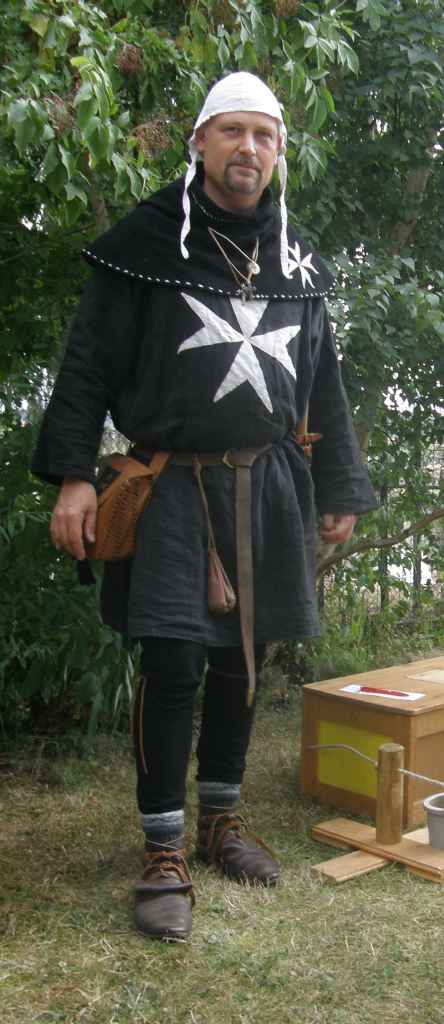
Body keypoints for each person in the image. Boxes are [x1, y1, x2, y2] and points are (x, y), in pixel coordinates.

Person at [32, 72, 378, 941]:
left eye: (264, 135)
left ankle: (221, 819)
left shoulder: (297, 263)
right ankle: (163, 849)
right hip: (172, 485)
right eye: (232, 131)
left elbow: (323, 385)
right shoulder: (145, 244)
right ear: (199, 142)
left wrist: (340, 485)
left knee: (244, 659)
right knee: (175, 658)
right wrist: (73, 475)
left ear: (279, 152)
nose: (248, 149)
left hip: (265, 485)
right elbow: (87, 365)